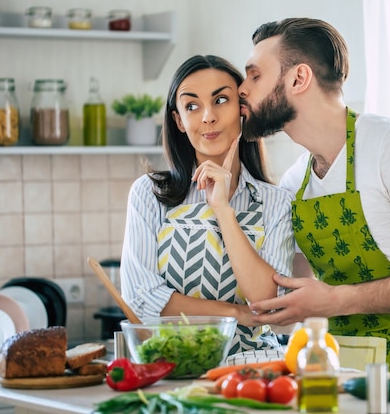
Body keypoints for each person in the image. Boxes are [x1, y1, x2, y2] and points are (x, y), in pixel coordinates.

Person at [238, 18, 390, 383]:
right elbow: (290, 295)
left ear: (298, 79)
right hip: (342, 376)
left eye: (254, 76)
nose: (242, 89)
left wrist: (335, 300)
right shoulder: (295, 181)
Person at [120, 55, 295, 356]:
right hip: (172, 370)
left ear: (243, 109)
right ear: (178, 121)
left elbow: (271, 306)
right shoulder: (149, 194)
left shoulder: (276, 201)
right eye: (191, 106)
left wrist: (224, 210)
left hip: (254, 371)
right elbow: (141, 300)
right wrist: (236, 314)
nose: (207, 117)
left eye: (221, 100)